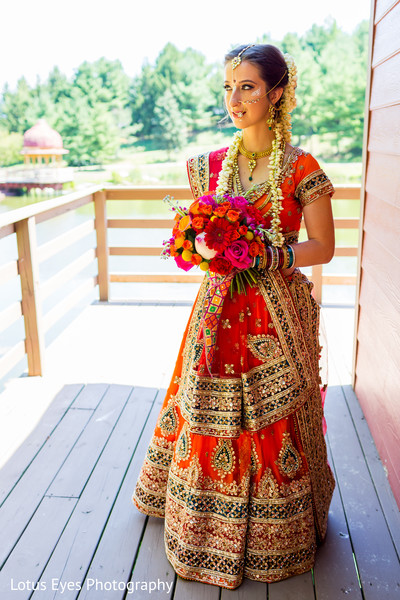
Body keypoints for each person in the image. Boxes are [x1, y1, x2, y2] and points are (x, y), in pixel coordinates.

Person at [133, 43, 335, 589]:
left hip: (277, 314)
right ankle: (202, 530)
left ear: (276, 93)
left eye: (247, 87)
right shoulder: (207, 168)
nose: (235, 98)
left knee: (277, 414)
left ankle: (281, 532)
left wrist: (271, 254)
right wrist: (199, 248)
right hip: (218, 310)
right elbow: (199, 239)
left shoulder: (302, 168)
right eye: (228, 87)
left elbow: (324, 247)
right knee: (205, 407)